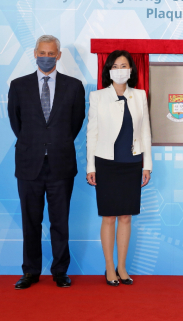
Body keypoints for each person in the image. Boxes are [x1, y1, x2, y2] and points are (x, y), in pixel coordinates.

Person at [8, 35, 86, 289]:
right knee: (30, 220)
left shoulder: (74, 86)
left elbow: (75, 124)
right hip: (29, 164)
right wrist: (36, 144)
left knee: (60, 221)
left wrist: (54, 144)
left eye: (51, 53)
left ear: (59, 55)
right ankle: (30, 271)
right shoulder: (18, 86)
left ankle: (60, 271)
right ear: (34, 53)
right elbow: (16, 123)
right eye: (42, 52)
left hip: (61, 164)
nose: (46, 57)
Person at [86, 50, 152, 287]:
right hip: (106, 163)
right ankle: (108, 267)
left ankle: (122, 267)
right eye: (115, 65)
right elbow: (91, 133)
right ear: (109, 70)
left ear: (131, 70)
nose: (120, 69)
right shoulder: (98, 96)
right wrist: (90, 167)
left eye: (124, 65)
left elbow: (145, 131)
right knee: (109, 217)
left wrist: (147, 166)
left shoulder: (140, 95)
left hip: (132, 163)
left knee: (126, 216)